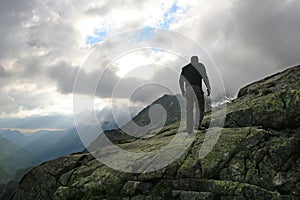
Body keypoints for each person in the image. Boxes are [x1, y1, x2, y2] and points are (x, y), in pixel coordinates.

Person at [179, 56, 211, 134]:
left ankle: (189, 129)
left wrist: (183, 91)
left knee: (189, 109)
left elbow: (180, 81)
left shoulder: (185, 68)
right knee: (199, 106)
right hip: (196, 88)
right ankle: (197, 125)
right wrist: (208, 87)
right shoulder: (200, 66)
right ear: (197, 60)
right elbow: (205, 77)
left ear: (191, 60)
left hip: (188, 89)